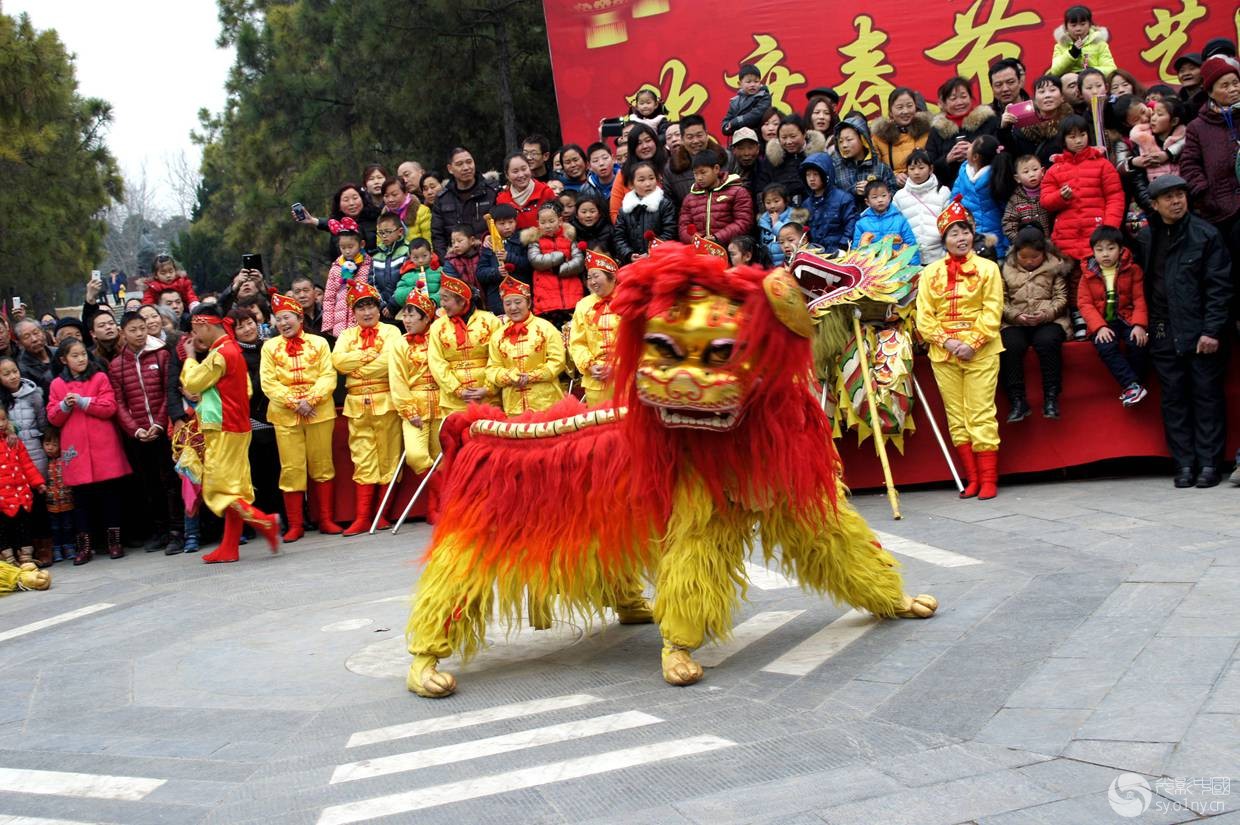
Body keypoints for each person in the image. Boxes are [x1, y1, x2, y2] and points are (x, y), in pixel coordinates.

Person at [1135, 175, 1233, 488]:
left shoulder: (1206, 234)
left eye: (1180, 195)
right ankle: (1184, 464)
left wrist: (1212, 330)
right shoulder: (1147, 238)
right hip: (1163, 331)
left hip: (1201, 332)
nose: (1177, 201)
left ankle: (1208, 464)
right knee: (1174, 400)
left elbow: (1220, 288)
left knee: (1207, 399)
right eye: (1169, 197)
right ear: (1155, 204)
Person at [915, 197, 1005, 500]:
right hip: (944, 353)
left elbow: (993, 312)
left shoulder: (989, 269)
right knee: (957, 417)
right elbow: (924, 317)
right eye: (953, 233)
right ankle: (973, 478)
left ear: (973, 233)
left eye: (964, 231)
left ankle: (989, 479)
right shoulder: (930, 273)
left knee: (980, 413)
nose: (961, 238)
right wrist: (948, 341)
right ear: (944, 240)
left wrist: (973, 342)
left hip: (981, 351)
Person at [179, 306, 280, 562]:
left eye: (195, 329)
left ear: (204, 325)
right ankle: (230, 546)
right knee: (234, 487)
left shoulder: (220, 354)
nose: (195, 335)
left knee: (219, 489)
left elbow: (191, 383)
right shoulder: (230, 350)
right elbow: (245, 389)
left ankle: (265, 522)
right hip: (236, 426)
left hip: (224, 428)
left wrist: (189, 357)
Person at [260, 292, 340, 543]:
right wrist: (295, 403)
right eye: (278, 319)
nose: (283, 323)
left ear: (299, 317)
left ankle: (325, 519)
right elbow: (268, 382)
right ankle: (295, 524)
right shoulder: (270, 346)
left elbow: (329, 376)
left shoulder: (319, 343)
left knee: (322, 465)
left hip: (318, 412)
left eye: (288, 317)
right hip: (285, 416)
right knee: (292, 468)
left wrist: (311, 400)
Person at [45, 337, 131, 563]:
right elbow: (53, 417)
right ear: (64, 360)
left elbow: (109, 407)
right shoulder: (57, 385)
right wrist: (64, 405)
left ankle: (115, 542)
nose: (81, 359)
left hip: (103, 446)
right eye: (75, 356)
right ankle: (84, 546)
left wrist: (84, 401)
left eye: (83, 354)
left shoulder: (99, 377)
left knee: (110, 497)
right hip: (76, 449)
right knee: (82, 501)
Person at [330, 281, 403, 535]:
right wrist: (368, 356)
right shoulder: (347, 336)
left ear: (377, 307)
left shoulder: (392, 331)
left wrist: (358, 368)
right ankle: (362, 517)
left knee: (390, 458)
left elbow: (390, 361)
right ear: (353, 311)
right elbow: (338, 361)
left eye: (370, 305)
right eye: (361, 307)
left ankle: (381, 515)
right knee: (362, 459)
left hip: (386, 402)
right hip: (357, 405)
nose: (367, 312)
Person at [1040, 114, 1125, 332]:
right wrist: (1061, 196)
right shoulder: (1055, 169)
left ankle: (1103, 317)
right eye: (1072, 136)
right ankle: (1077, 315)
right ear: (1063, 140)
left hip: (1096, 235)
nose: (1078, 140)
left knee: (1097, 277)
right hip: (1067, 238)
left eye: (1082, 135)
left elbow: (1115, 196)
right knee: (1073, 279)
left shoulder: (1103, 165)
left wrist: (1109, 228)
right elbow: (1046, 201)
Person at [109, 312, 184, 554]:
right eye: (133, 329)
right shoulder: (117, 364)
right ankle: (159, 530)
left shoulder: (162, 355)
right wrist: (135, 429)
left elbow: (167, 392)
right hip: (139, 434)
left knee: (171, 481)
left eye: (143, 328)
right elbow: (118, 402)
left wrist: (160, 424)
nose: (140, 334)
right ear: (123, 333)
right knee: (149, 484)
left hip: (163, 430)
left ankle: (177, 530)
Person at [1179, 55, 1240, 305]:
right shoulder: (1198, 127)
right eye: (1225, 85)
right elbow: (1189, 165)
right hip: (1221, 208)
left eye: (1236, 83)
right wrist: (1206, 194)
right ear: (1211, 91)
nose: (1233, 89)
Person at [999, 227, 1071, 421]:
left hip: (1048, 319)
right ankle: (1017, 400)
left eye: (1035, 257)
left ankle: (1051, 397)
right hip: (1015, 320)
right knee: (1010, 345)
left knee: (1047, 342)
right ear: (1016, 253)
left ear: (1044, 253)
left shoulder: (1056, 266)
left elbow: (1062, 297)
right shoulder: (1005, 268)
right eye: (1024, 257)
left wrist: (1047, 313)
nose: (1029, 261)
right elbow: (1000, 300)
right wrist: (1016, 315)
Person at [1079, 225, 1150, 407]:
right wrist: (1099, 327)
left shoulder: (1132, 269)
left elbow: (1140, 298)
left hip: (1127, 318)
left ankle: (1135, 385)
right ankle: (1131, 385)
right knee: (1106, 346)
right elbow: (1085, 304)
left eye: (1111, 248)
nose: (1105, 254)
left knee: (1137, 342)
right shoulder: (1088, 274)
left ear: (1120, 249)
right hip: (1103, 322)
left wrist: (1139, 324)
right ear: (1093, 251)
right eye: (1099, 250)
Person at [486, 277, 566, 416]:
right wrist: (509, 377)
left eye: (518, 302)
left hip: (546, 403)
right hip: (513, 406)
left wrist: (532, 376)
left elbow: (558, 362)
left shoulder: (546, 328)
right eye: (508, 303)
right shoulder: (498, 336)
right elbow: (492, 368)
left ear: (528, 303)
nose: (513, 307)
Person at [390, 289, 442, 480]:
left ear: (426, 318)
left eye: (411, 316)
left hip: (442, 403)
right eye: (405, 315)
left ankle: (440, 505)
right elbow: (398, 381)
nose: (407, 320)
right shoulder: (400, 344)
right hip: (415, 405)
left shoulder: (439, 338)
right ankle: (437, 486)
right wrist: (409, 411)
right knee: (416, 456)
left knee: (442, 457)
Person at [926, 77, 999, 188]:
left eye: (963, 97)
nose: (959, 102)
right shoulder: (937, 130)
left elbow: (1000, 154)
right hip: (950, 190)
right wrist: (947, 159)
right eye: (953, 98)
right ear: (944, 103)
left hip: (986, 186)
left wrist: (976, 152)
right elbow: (929, 165)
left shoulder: (988, 120)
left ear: (971, 98)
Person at [569, 250, 621, 407]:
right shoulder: (583, 305)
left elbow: (636, 340)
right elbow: (577, 343)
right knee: (599, 427)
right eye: (589, 277)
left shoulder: (628, 300)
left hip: (625, 378)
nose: (591, 282)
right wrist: (590, 365)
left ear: (611, 276)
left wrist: (617, 366)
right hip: (595, 381)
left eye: (596, 276)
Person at [524, 202, 586, 329]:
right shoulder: (535, 240)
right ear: (538, 223)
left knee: (574, 334)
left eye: (551, 221)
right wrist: (560, 256)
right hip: (546, 300)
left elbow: (579, 262)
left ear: (560, 221)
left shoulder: (569, 238)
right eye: (543, 222)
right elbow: (536, 260)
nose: (547, 226)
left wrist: (559, 269)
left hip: (572, 296)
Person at [430, 147, 498, 258]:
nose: (466, 168)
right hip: (455, 262)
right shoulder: (442, 198)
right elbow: (438, 236)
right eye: (459, 164)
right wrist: (446, 261)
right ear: (450, 169)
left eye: (469, 162)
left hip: (487, 258)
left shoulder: (491, 191)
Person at [677, 150, 754, 246]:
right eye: (695, 174)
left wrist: (717, 237)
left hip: (731, 250)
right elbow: (683, 227)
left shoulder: (738, 192)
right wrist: (694, 238)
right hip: (699, 251)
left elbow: (744, 222)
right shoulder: (689, 198)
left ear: (716, 169)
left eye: (703, 172)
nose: (699, 178)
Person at [0, 405, 45, 566]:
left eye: (4, 419)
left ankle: (25, 557)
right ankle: (8, 559)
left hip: (20, 493)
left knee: (24, 525)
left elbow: (27, 464)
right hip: (2, 497)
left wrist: (38, 483)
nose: (1, 423)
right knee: (3, 529)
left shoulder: (13, 441)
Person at [952, 136, 1008, 258]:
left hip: (993, 236)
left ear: (975, 157)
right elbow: (955, 198)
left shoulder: (996, 178)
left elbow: (1006, 211)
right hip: (968, 232)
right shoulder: (963, 171)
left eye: (971, 145)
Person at [894, 149, 952, 264]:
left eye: (921, 168)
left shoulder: (943, 192)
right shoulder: (899, 196)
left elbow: (949, 224)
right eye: (911, 169)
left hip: (939, 256)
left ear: (931, 169)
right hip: (910, 257)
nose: (916, 172)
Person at [754, 114, 826, 207]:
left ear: (804, 133)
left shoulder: (818, 157)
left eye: (793, 136)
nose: (788, 142)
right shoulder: (772, 158)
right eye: (784, 138)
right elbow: (761, 189)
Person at [613, 161, 677, 263]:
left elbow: (669, 232)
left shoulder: (665, 204)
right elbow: (619, 237)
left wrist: (651, 253)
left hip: (661, 260)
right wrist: (628, 254)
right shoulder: (625, 210)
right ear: (631, 184)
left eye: (651, 178)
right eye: (641, 180)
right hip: (633, 263)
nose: (648, 184)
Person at [321, 216, 373, 338]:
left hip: (363, 323)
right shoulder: (336, 268)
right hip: (341, 326)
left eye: (350, 247)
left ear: (362, 244)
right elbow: (329, 298)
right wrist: (329, 324)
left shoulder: (369, 265)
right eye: (343, 248)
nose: (347, 251)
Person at [803, 148, 860, 255]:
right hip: (815, 255)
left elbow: (851, 225)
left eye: (815, 174)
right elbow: (805, 232)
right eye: (808, 175)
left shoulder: (844, 198)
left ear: (825, 174)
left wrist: (842, 247)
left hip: (839, 253)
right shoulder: (806, 204)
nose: (811, 179)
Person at [871, 88, 933, 183]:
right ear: (890, 112)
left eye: (909, 106)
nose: (905, 111)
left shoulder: (928, 131)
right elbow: (875, 169)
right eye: (900, 107)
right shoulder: (880, 137)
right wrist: (894, 176)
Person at [662, 114, 726, 206]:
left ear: (707, 135)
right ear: (683, 139)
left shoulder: (726, 158)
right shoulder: (671, 168)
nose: (695, 141)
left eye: (699, 135)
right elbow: (670, 205)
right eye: (690, 137)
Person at [608, 123, 668, 221]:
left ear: (655, 142)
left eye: (648, 140)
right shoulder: (624, 174)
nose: (645, 146)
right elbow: (615, 212)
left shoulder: (667, 168)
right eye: (639, 143)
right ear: (632, 148)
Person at [1010, 75, 1074, 165]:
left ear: (1062, 97)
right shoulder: (1022, 126)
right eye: (1042, 92)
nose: (1047, 95)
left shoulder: (1071, 124)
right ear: (1035, 99)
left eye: (1052, 90)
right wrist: (1004, 129)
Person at [852, 180, 919, 262]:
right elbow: (856, 248)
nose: (880, 200)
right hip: (872, 266)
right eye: (875, 197)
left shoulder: (900, 220)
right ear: (867, 202)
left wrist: (913, 266)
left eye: (883, 196)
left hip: (896, 265)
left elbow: (910, 244)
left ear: (889, 197)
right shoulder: (861, 223)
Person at [1049, 5, 1117, 77]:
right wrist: (1072, 53)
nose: (1078, 29)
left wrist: (1091, 71)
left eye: (1082, 24)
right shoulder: (1061, 45)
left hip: (1093, 83)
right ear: (1066, 27)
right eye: (1073, 25)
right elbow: (1055, 71)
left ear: (1090, 24)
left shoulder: (1099, 43)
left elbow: (1111, 70)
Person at [495, 152, 557, 230]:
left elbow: (558, 223)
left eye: (524, 169)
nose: (521, 175)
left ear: (530, 168)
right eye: (515, 171)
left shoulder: (545, 192)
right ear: (507, 175)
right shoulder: (501, 200)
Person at [1130, 94, 1185, 180]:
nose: (1153, 118)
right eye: (1153, 113)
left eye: (1159, 115)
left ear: (1174, 121)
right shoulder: (1141, 141)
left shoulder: (1184, 141)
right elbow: (1139, 180)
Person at [1000, 155, 1052, 243]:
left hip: (1049, 244)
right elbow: (1008, 223)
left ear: (1043, 171)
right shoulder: (1015, 199)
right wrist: (1020, 242)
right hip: (1026, 246)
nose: (1031, 174)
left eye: (1035, 169)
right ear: (1017, 178)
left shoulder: (1049, 192)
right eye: (1026, 172)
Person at [40, 429, 73, 563]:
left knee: (68, 525)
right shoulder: (44, 462)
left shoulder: (64, 459)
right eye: (47, 444)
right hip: (51, 501)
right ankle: (57, 548)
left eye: (54, 444)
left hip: (66, 499)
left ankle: (70, 547)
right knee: (54, 527)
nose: (50, 448)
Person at [371, 212, 412, 316]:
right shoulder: (375, 257)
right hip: (382, 310)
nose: (384, 236)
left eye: (388, 232)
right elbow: (372, 283)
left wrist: (393, 304)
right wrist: (381, 305)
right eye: (381, 233)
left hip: (404, 308)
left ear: (400, 232)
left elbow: (408, 281)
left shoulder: (408, 252)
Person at [443, 224, 499, 298]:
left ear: (472, 240)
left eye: (459, 241)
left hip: (489, 299)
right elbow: (453, 284)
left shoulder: (482, 254)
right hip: (466, 300)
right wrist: (472, 292)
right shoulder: (450, 262)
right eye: (453, 242)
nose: (456, 245)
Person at [721, 63, 772, 136]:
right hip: (739, 140)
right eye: (748, 82)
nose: (752, 84)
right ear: (740, 84)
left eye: (756, 81)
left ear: (760, 82)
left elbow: (756, 115)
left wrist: (736, 122)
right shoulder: (735, 101)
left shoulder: (764, 97)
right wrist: (727, 127)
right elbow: (726, 124)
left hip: (757, 138)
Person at [393, 238, 444, 308]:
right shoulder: (407, 275)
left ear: (431, 253)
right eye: (415, 258)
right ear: (410, 257)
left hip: (437, 309)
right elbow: (398, 295)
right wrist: (414, 290)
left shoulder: (440, 271)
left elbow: (446, 290)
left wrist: (434, 300)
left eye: (424, 256)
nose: (420, 260)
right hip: (415, 311)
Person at [13, 320, 56, 393]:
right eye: (27, 337)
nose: (34, 339)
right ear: (19, 343)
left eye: (36, 333)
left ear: (43, 333)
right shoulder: (22, 368)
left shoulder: (58, 352)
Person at [759, 183, 795, 265]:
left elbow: (787, 235)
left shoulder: (793, 216)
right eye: (768, 202)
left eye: (776, 201)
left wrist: (776, 223)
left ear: (785, 201)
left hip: (788, 263)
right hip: (769, 264)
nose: (772, 206)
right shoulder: (763, 220)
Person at [290, 275, 328, 341]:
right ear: (293, 296)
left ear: (315, 293)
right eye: (297, 292)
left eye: (306, 290)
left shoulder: (327, 314)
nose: (302, 295)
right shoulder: (290, 319)